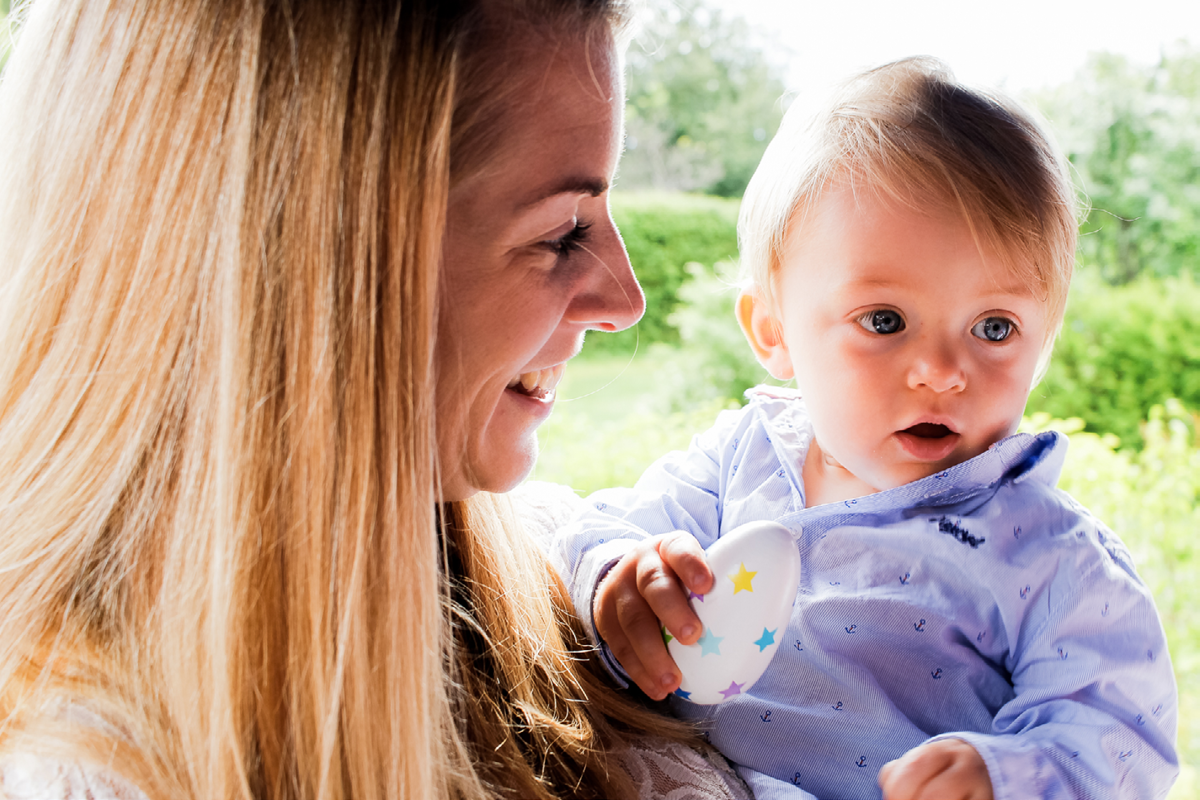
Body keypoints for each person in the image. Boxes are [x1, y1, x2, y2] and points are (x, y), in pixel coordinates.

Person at [0, 1, 751, 799]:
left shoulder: (566, 572)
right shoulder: (102, 772)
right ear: (307, 270)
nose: (625, 298)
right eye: (562, 231)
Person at [551, 58, 1179, 800]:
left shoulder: (1049, 555)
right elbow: (597, 531)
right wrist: (621, 573)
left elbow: (1121, 736)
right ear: (773, 329)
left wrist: (1004, 776)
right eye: (885, 321)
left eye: (995, 326)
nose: (943, 370)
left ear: (1044, 344)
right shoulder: (743, 458)